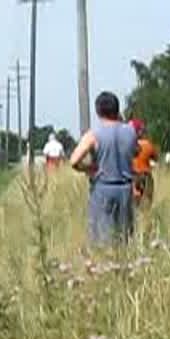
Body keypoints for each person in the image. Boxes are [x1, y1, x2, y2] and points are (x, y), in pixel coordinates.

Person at [69, 92, 138, 247]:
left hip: (103, 188)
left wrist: (90, 168)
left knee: (102, 239)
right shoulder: (130, 132)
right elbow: (136, 152)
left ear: (98, 111)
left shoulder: (94, 134)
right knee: (124, 238)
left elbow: (74, 160)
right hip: (126, 188)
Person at [129, 118, 159, 208]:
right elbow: (156, 158)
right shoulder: (148, 144)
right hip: (145, 177)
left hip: (131, 178)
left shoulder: (125, 145)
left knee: (132, 207)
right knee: (146, 206)